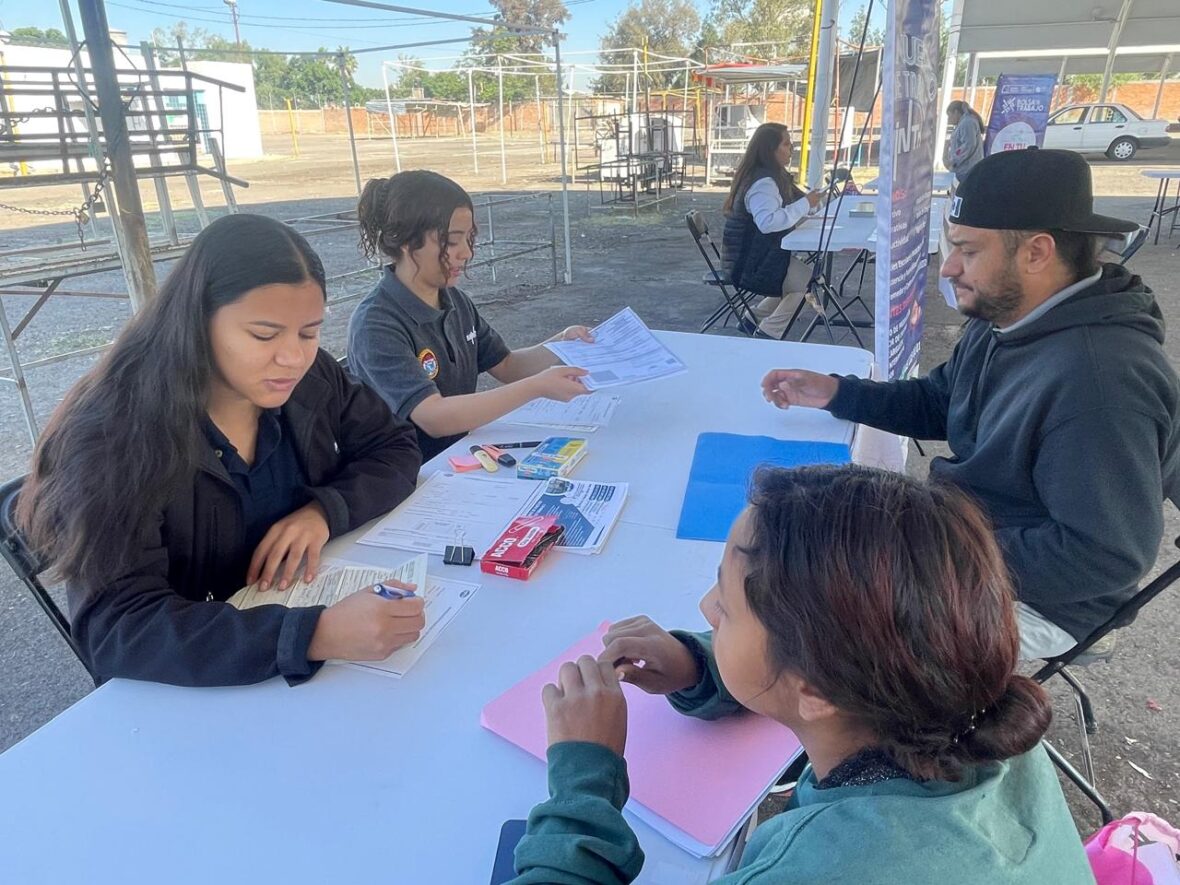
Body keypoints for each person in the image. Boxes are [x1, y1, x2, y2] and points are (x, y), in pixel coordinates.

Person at [509, 465, 1094, 884]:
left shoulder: (814, 867)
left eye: (728, 608)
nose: (708, 608)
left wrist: (584, 777)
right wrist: (700, 665)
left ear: (815, 689)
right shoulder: (973, 713)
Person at [762, 148, 1180, 659]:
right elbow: (943, 401)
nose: (951, 267)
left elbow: (1102, 555)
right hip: (964, 534)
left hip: (1039, 601)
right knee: (799, 538)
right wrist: (839, 393)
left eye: (968, 250)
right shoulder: (1011, 314)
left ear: (1036, 252)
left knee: (825, 631)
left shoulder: (1101, 383)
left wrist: (925, 550)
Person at [18, 214, 426, 687]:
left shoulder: (306, 381)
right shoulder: (114, 435)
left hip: (300, 641)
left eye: (309, 333)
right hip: (193, 691)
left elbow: (394, 445)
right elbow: (119, 627)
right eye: (264, 335)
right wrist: (310, 633)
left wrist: (323, 512)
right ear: (198, 321)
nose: (292, 356)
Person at [347, 170, 594, 462]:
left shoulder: (454, 300)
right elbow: (434, 417)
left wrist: (562, 343)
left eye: (469, 238)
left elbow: (506, 364)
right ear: (406, 241)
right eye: (452, 241)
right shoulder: (377, 324)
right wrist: (537, 386)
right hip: (409, 479)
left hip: (462, 457)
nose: (465, 252)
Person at [721, 123, 824, 339]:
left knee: (799, 280)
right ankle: (768, 333)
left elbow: (796, 204)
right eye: (786, 144)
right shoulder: (764, 183)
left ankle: (752, 319)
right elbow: (768, 222)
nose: (792, 149)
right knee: (809, 283)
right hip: (750, 264)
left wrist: (808, 202)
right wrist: (805, 204)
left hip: (757, 257)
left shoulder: (769, 175)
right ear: (771, 150)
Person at [943, 99, 985, 181]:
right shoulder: (964, 123)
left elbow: (968, 146)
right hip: (964, 170)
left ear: (956, 112)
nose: (949, 119)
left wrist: (954, 160)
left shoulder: (967, 123)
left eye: (949, 115)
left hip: (966, 170)